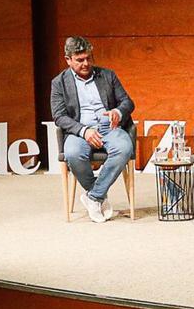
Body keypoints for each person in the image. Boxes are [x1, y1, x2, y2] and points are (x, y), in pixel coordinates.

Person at [49, 36, 136, 223]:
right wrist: (83, 131)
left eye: (89, 58)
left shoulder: (107, 75)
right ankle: (98, 194)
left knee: (124, 148)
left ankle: (94, 196)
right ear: (68, 60)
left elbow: (128, 102)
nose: (86, 63)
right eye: (80, 60)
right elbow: (59, 116)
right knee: (72, 153)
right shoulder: (59, 83)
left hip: (108, 126)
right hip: (80, 129)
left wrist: (118, 112)